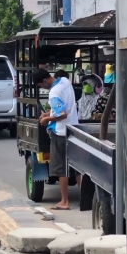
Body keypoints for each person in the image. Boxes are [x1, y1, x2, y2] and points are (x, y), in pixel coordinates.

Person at [33, 68, 78, 210]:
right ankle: (85, 198)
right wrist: (48, 113)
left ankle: (64, 201)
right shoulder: (65, 81)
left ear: (45, 81)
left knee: (61, 169)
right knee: (77, 167)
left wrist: (46, 119)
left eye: (41, 85)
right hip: (74, 129)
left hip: (61, 132)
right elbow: (65, 107)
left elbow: (62, 114)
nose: (43, 88)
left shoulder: (54, 92)